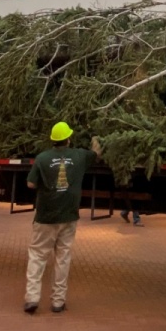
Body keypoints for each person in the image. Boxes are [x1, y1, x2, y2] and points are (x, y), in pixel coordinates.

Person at [23, 121, 100, 315]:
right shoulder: (80, 156)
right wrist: (96, 137)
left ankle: (32, 298)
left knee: (38, 256)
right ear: (68, 138)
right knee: (63, 258)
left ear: (53, 140)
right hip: (69, 215)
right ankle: (58, 302)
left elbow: (31, 184)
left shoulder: (42, 158)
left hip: (45, 216)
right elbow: (97, 153)